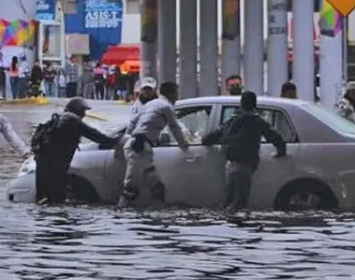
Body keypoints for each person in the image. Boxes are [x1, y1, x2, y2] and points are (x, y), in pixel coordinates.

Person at [202, 91, 287, 210]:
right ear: (254, 105)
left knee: (228, 200)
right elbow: (276, 138)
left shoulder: (232, 121)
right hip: (246, 165)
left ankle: (226, 218)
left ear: (241, 104)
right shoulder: (258, 122)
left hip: (231, 164)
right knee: (240, 203)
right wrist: (281, 152)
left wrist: (205, 141)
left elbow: (212, 137)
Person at [118, 77, 189, 207]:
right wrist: (184, 146)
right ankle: (121, 214)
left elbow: (132, 123)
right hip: (138, 149)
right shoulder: (166, 106)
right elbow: (175, 127)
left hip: (140, 148)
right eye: (176, 94)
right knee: (131, 189)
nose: (177, 98)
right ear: (171, 94)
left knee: (157, 187)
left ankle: (156, 212)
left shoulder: (150, 104)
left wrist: (127, 138)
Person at [35, 97, 119, 204]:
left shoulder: (62, 118)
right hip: (55, 163)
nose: (84, 114)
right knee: (56, 196)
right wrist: (113, 140)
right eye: (83, 111)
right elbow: (93, 134)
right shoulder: (72, 120)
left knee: (47, 196)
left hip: (46, 162)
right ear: (77, 110)